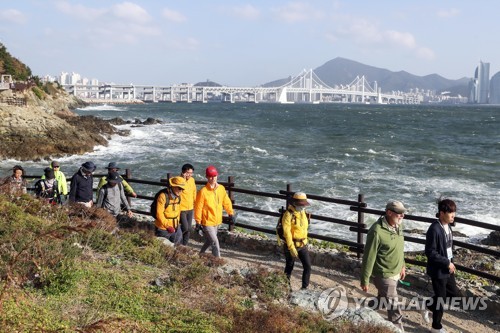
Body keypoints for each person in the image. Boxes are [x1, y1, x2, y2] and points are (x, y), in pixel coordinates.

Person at [360, 200, 407, 332]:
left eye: (403, 213)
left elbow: (400, 248)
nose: (402, 216)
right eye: (399, 213)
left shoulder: (399, 226)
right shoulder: (376, 231)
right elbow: (369, 256)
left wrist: (402, 265)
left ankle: (362, 313)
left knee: (382, 299)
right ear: (389, 212)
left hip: (395, 272)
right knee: (394, 308)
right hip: (383, 275)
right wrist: (365, 279)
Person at [424, 199, 462, 333]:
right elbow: (430, 252)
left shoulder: (448, 226)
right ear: (441, 213)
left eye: (454, 212)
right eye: (450, 213)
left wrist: (451, 263)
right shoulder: (434, 229)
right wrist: (447, 263)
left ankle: (428, 304)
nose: (453, 215)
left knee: (453, 294)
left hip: (448, 268)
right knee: (440, 300)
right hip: (438, 270)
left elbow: (448, 248)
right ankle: (436, 327)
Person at [194, 165, 234, 257]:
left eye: (214, 176)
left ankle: (201, 255)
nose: (213, 178)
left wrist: (230, 213)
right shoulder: (203, 192)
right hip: (207, 221)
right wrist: (198, 222)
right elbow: (198, 207)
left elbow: (226, 201)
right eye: (210, 176)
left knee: (209, 241)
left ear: (217, 175)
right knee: (215, 242)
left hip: (216, 220)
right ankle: (217, 260)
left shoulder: (221, 189)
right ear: (207, 177)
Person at [282, 192, 312, 290]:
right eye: (301, 205)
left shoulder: (302, 212)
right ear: (295, 203)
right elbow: (287, 233)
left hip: (302, 245)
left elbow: (304, 229)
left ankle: (304, 288)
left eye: (303, 205)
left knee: (307, 266)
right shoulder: (288, 215)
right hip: (292, 246)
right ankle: (286, 287)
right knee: (289, 267)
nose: (303, 207)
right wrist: (291, 247)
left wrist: (306, 241)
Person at [154, 176, 186, 245]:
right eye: (179, 188)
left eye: (182, 189)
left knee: (177, 247)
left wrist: (177, 224)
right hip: (163, 229)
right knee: (162, 249)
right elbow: (159, 214)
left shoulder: (178, 197)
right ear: (173, 186)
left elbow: (178, 211)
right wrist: (168, 226)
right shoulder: (163, 196)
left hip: (176, 228)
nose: (181, 191)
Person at [179, 163, 197, 245]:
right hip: (181, 208)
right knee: (185, 227)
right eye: (188, 173)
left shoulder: (192, 180)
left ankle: (184, 245)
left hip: (190, 208)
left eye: (191, 173)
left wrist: (195, 203)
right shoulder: (178, 180)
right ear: (183, 172)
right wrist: (183, 179)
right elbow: (178, 191)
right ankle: (177, 240)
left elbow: (194, 192)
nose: (189, 175)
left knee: (188, 229)